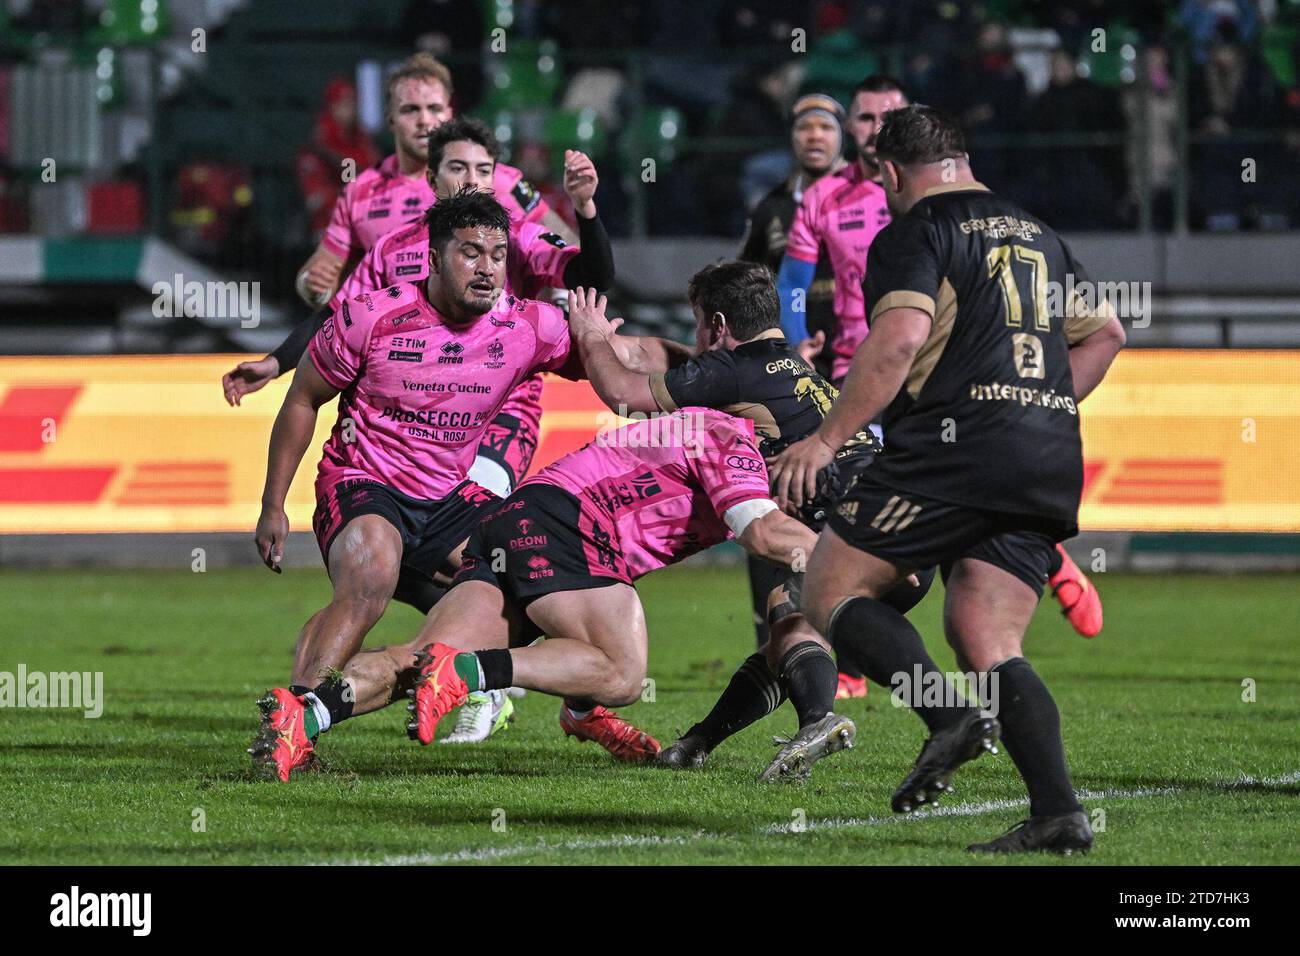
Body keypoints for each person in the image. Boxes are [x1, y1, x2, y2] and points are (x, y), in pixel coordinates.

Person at [768, 105, 1126, 853]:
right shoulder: (1040, 233)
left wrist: (826, 441)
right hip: (1047, 455)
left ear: (892, 172)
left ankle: (947, 717)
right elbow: (1107, 335)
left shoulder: (917, 230)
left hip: (953, 450)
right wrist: (1034, 404)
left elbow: (898, 340)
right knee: (985, 636)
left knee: (828, 588)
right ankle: (1058, 813)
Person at [256, 394, 821, 774]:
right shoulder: (735, 439)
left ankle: (302, 715)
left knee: (420, 659)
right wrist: (849, 562)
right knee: (622, 672)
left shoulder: (697, 421)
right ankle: (472, 673)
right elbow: (765, 533)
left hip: (520, 518)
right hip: (569, 527)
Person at [249, 191, 585, 781]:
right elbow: (303, 399)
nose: (487, 268)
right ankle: (296, 723)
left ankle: (580, 707)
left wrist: (701, 374)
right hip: (363, 480)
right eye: (470, 253)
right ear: (432, 258)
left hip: (449, 495)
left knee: (533, 574)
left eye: (498, 255)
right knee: (371, 573)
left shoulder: (526, 323)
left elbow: (610, 358)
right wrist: (272, 504)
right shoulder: (370, 316)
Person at [568, 258, 931, 779]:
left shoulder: (732, 370)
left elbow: (624, 396)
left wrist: (589, 336)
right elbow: (667, 359)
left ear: (718, 324)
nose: (697, 337)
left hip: (851, 524)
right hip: (896, 520)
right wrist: (613, 342)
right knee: (786, 642)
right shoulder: (787, 363)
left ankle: (822, 720)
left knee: (788, 616)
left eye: (699, 323)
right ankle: (697, 743)